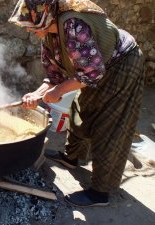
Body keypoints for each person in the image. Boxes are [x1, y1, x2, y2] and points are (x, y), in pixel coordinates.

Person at [8, 0, 145, 207]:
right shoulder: (48, 35)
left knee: (110, 125)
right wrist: (36, 94)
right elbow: (54, 76)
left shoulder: (73, 25)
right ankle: (72, 157)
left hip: (122, 64)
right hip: (94, 70)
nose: (29, 30)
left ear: (44, 15)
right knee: (81, 111)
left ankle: (100, 192)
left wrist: (59, 91)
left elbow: (93, 73)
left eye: (30, 24)